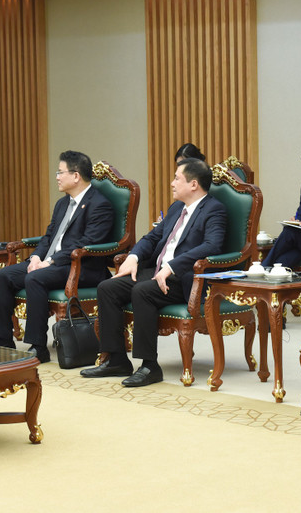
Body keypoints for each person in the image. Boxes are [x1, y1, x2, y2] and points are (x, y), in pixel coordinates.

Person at [80, 157, 226, 386]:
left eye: (177, 178)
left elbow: (212, 246)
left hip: (185, 278)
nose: (172, 183)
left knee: (142, 290)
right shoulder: (177, 207)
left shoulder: (214, 209)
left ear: (194, 184)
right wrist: (134, 257)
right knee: (108, 287)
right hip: (156, 272)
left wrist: (172, 266)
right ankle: (116, 359)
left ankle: (149, 366)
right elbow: (153, 237)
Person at [0, 151, 114, 363]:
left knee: (35, 278)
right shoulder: (62, 203)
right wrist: (37, 257)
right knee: (4, 275)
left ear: (76, 176)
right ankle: (2, 340)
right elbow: (49, 237)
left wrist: (50, 262)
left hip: (82, 267)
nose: (57, 176)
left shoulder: (99, 205)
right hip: (51, 263)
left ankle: (38, 347)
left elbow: (86, 244)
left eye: (60, 172)